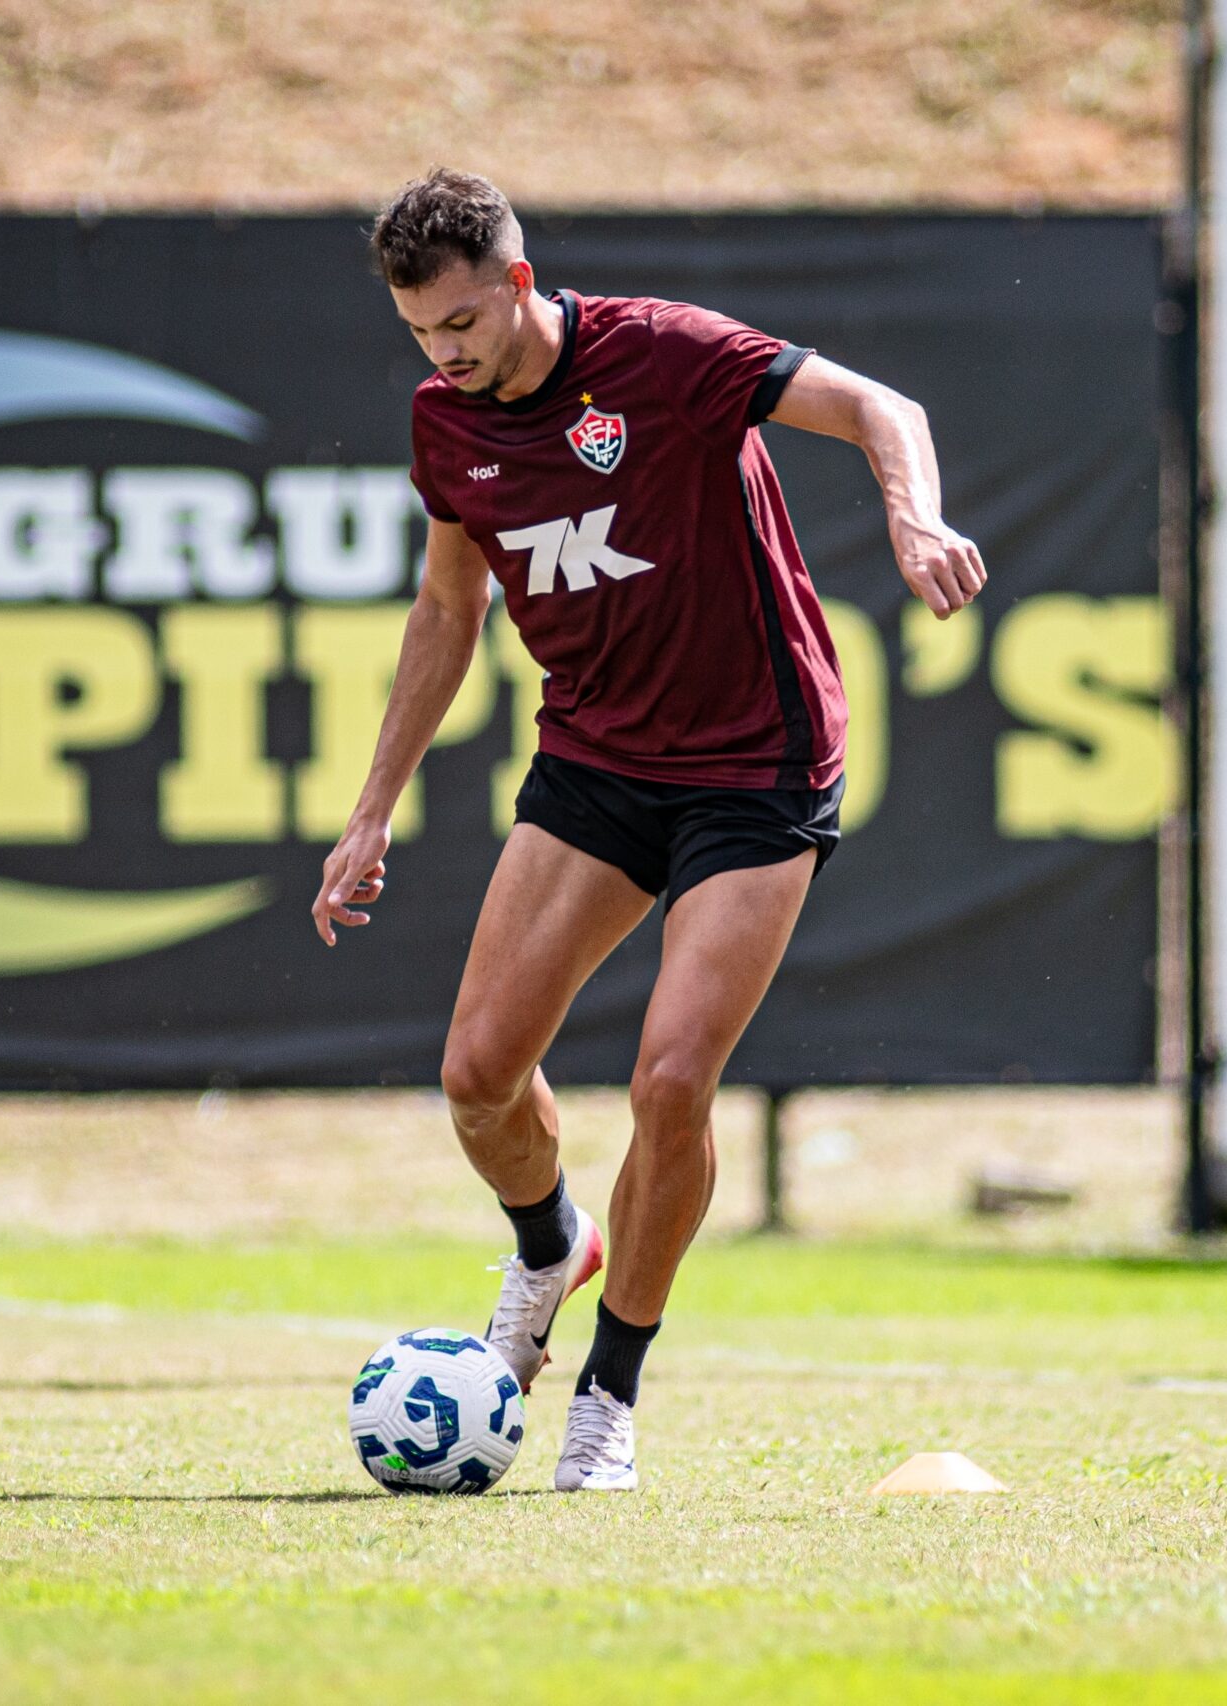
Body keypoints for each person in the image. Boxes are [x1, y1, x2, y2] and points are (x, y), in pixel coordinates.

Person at [313, 168, 986, 1491]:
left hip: (759, 764)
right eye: (417, 335)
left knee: (672, 1080)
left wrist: (914, 513)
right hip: (598, 759)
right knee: (477, 1074)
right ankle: (550, 1243)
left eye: (459, 324)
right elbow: (450, 611)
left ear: (515, 284)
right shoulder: (444, 425)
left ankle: (609, 1393)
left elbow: (877, 406)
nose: (442, 356)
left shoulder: (661, 356)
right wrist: (371, 807)